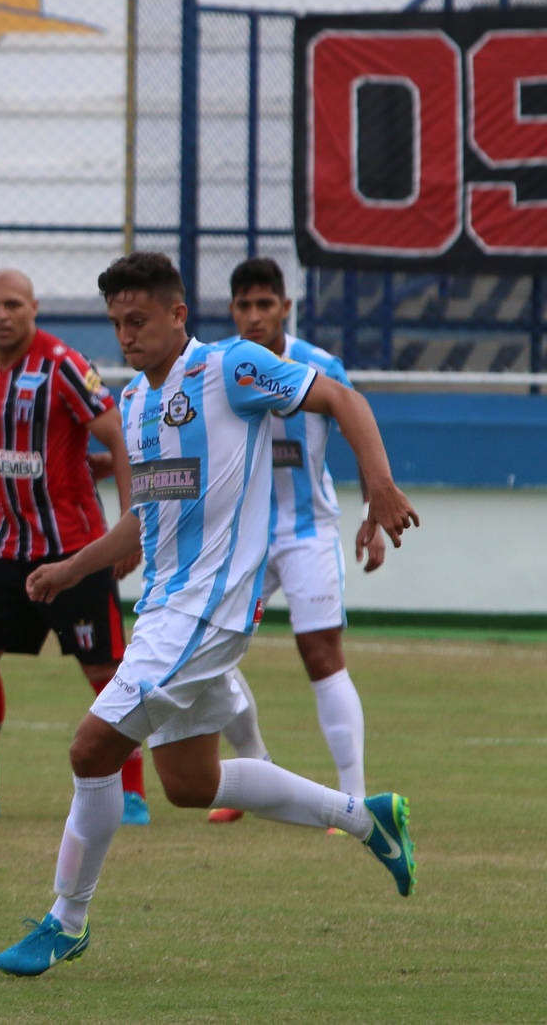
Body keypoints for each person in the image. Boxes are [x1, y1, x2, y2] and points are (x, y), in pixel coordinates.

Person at [0, 252, 420, 978]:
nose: (127, 335)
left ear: (177, 314)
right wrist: (73, 566)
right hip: (166, 608)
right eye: (116, 323)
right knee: (190, 783)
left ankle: (66, 918)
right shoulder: (134, 403)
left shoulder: (232, 368)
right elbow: (146, 518)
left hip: (209, 612)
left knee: (90, 750)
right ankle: (366, 816)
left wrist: (378, 485)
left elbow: (346, 402)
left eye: (139, 320)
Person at [0, 269, 149, 825]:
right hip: (5, 543)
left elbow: (116, 436)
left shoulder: (64, 364)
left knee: (106, 671)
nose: (0, 314)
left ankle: (133, 792)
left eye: (12, 304)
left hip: (73, 548)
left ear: (33, 308)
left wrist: (128, 525)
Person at [207, 257, 369, 823]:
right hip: (240, 538)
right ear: (232, 310)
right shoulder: (220, 367)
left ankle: (354, 796)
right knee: (210, 649)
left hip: (307, 533)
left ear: (285, 307)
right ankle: (255, 771)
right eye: (243, 306)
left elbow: (356, 426)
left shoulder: (321, 366)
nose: (253, 317)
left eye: (264, 305)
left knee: (321, 655)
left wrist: (374, 509)